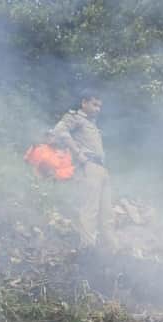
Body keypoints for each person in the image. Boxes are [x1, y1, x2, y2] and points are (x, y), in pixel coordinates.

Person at [50, 90, 116, 252]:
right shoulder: (76, 118)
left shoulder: (91, 124)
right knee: (90, 209)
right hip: (88, 167)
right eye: (94, 104)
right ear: (84, 103)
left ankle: (112, 250)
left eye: (99, 106)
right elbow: (59, 131)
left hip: (101, 169)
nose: (97, 109)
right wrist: (78, 154)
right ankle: (88, 249)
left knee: (107, 212)